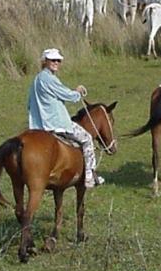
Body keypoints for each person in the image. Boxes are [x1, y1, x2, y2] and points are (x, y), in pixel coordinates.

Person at [27, 48, 105, 187]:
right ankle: (89, 176)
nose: (56, 62)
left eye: (58, 60)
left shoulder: (36, 79)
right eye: (53, 60)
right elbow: (68, 95)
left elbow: (29, 104)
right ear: (45, 61)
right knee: (87, 139)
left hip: (38, 124)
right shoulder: (48, 78)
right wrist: (78, 93)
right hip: (55, 123)